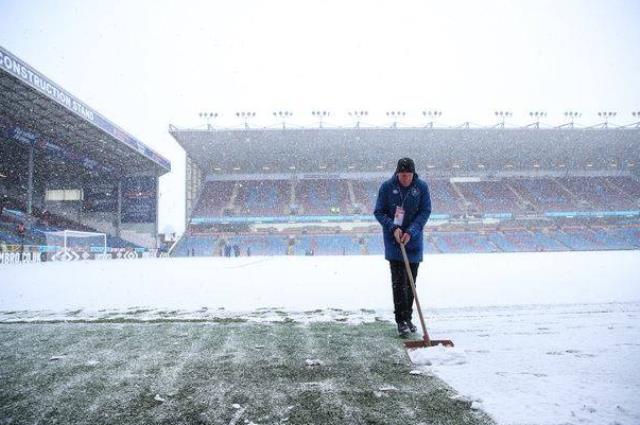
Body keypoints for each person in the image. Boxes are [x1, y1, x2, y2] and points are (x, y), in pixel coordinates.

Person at [374, 158, 432, 337]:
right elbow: (378, 212)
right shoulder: (386, 187)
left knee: (411, 283)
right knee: (399, 283)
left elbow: (425, 211)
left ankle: (408, 317)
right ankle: (401, 320)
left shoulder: (421, 187)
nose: (405, 179)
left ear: (413, 174)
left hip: (413, 242)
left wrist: (411, 231)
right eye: (402, 175)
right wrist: (393, 228)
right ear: (397, 173)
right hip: (394, 242)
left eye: (408, 176)